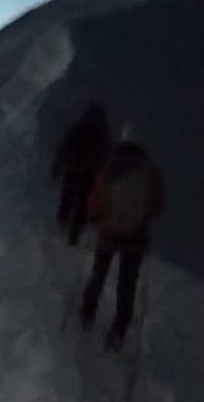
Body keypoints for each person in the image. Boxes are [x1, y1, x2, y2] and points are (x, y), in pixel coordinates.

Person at [79, 124, 165, 351]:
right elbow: (157, 206)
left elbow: (94, 203)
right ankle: (119, 328)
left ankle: (87, 315)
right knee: (127, 284)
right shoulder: (151, 172)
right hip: (135, 237)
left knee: (99, 274)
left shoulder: (109, 169)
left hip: (109, 232)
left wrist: (97, 218)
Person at [52, 102, 111, 246]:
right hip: (90, 173)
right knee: (82, 205)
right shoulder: (102, 133)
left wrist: (56, 166)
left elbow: (64, 147)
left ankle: (62, 223)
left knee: (68, 197)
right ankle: (74, 234)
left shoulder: (77, 128)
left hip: (73, 169)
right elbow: (107, 156)